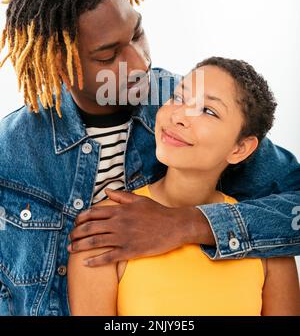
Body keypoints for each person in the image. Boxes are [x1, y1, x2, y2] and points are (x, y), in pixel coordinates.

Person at [0, 0, 299, 316]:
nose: (140, 62)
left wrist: (186, 225)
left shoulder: (179, 104)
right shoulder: (11, 155)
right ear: (61, 66)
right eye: (108, 55)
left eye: (137, 33)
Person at [67, 57, 300, 316]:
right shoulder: (108, 225)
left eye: (208, 111)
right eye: (178, 97)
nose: (179, 116)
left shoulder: (266, 240)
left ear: (240, 148)